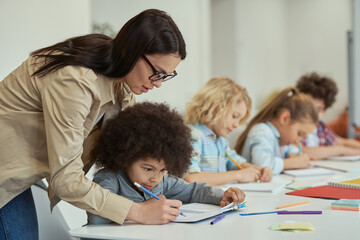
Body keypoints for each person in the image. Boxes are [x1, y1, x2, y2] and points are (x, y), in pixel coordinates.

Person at [0, 9, 187, 238]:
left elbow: (134, 154)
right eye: (156, 73)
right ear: (131, 50)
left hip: (17, 173)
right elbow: (66, 179)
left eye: (166, 75)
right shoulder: (75, 82)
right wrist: (138, 211)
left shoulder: (122, 85)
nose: (158, 84)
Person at [87, 102, 246, 225]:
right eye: (148, 169)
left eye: (163, 170)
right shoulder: (109, 179)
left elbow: (192, 190)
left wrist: (222, 196)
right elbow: (96, 217)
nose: (155, 178)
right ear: (125, 157)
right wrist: (142, 211)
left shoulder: (161, 182)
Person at [183, 77, 273, 186]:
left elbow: (236, 161)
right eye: (234, 116)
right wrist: (238, 175)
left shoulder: (220, 141)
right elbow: (190, 178)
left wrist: (259, 170)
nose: (236, 125)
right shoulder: (193, 136)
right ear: (215, 107)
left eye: (240, 120)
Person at [235, 87, 318, 175]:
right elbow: (261, 164)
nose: (298, 141)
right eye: (299, 134)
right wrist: (293, 162)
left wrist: (295, 155)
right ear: (285, 118)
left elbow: (291, 149)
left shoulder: (284, 139)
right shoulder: (262, 131)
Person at [296, 72, 360, 159]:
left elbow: (344, 142)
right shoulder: (294, 127)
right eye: (309, 107)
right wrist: (341, 150)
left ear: (325, 110)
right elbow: (302, 151)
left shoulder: (321, 128)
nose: (313, 114)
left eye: (318, 109)